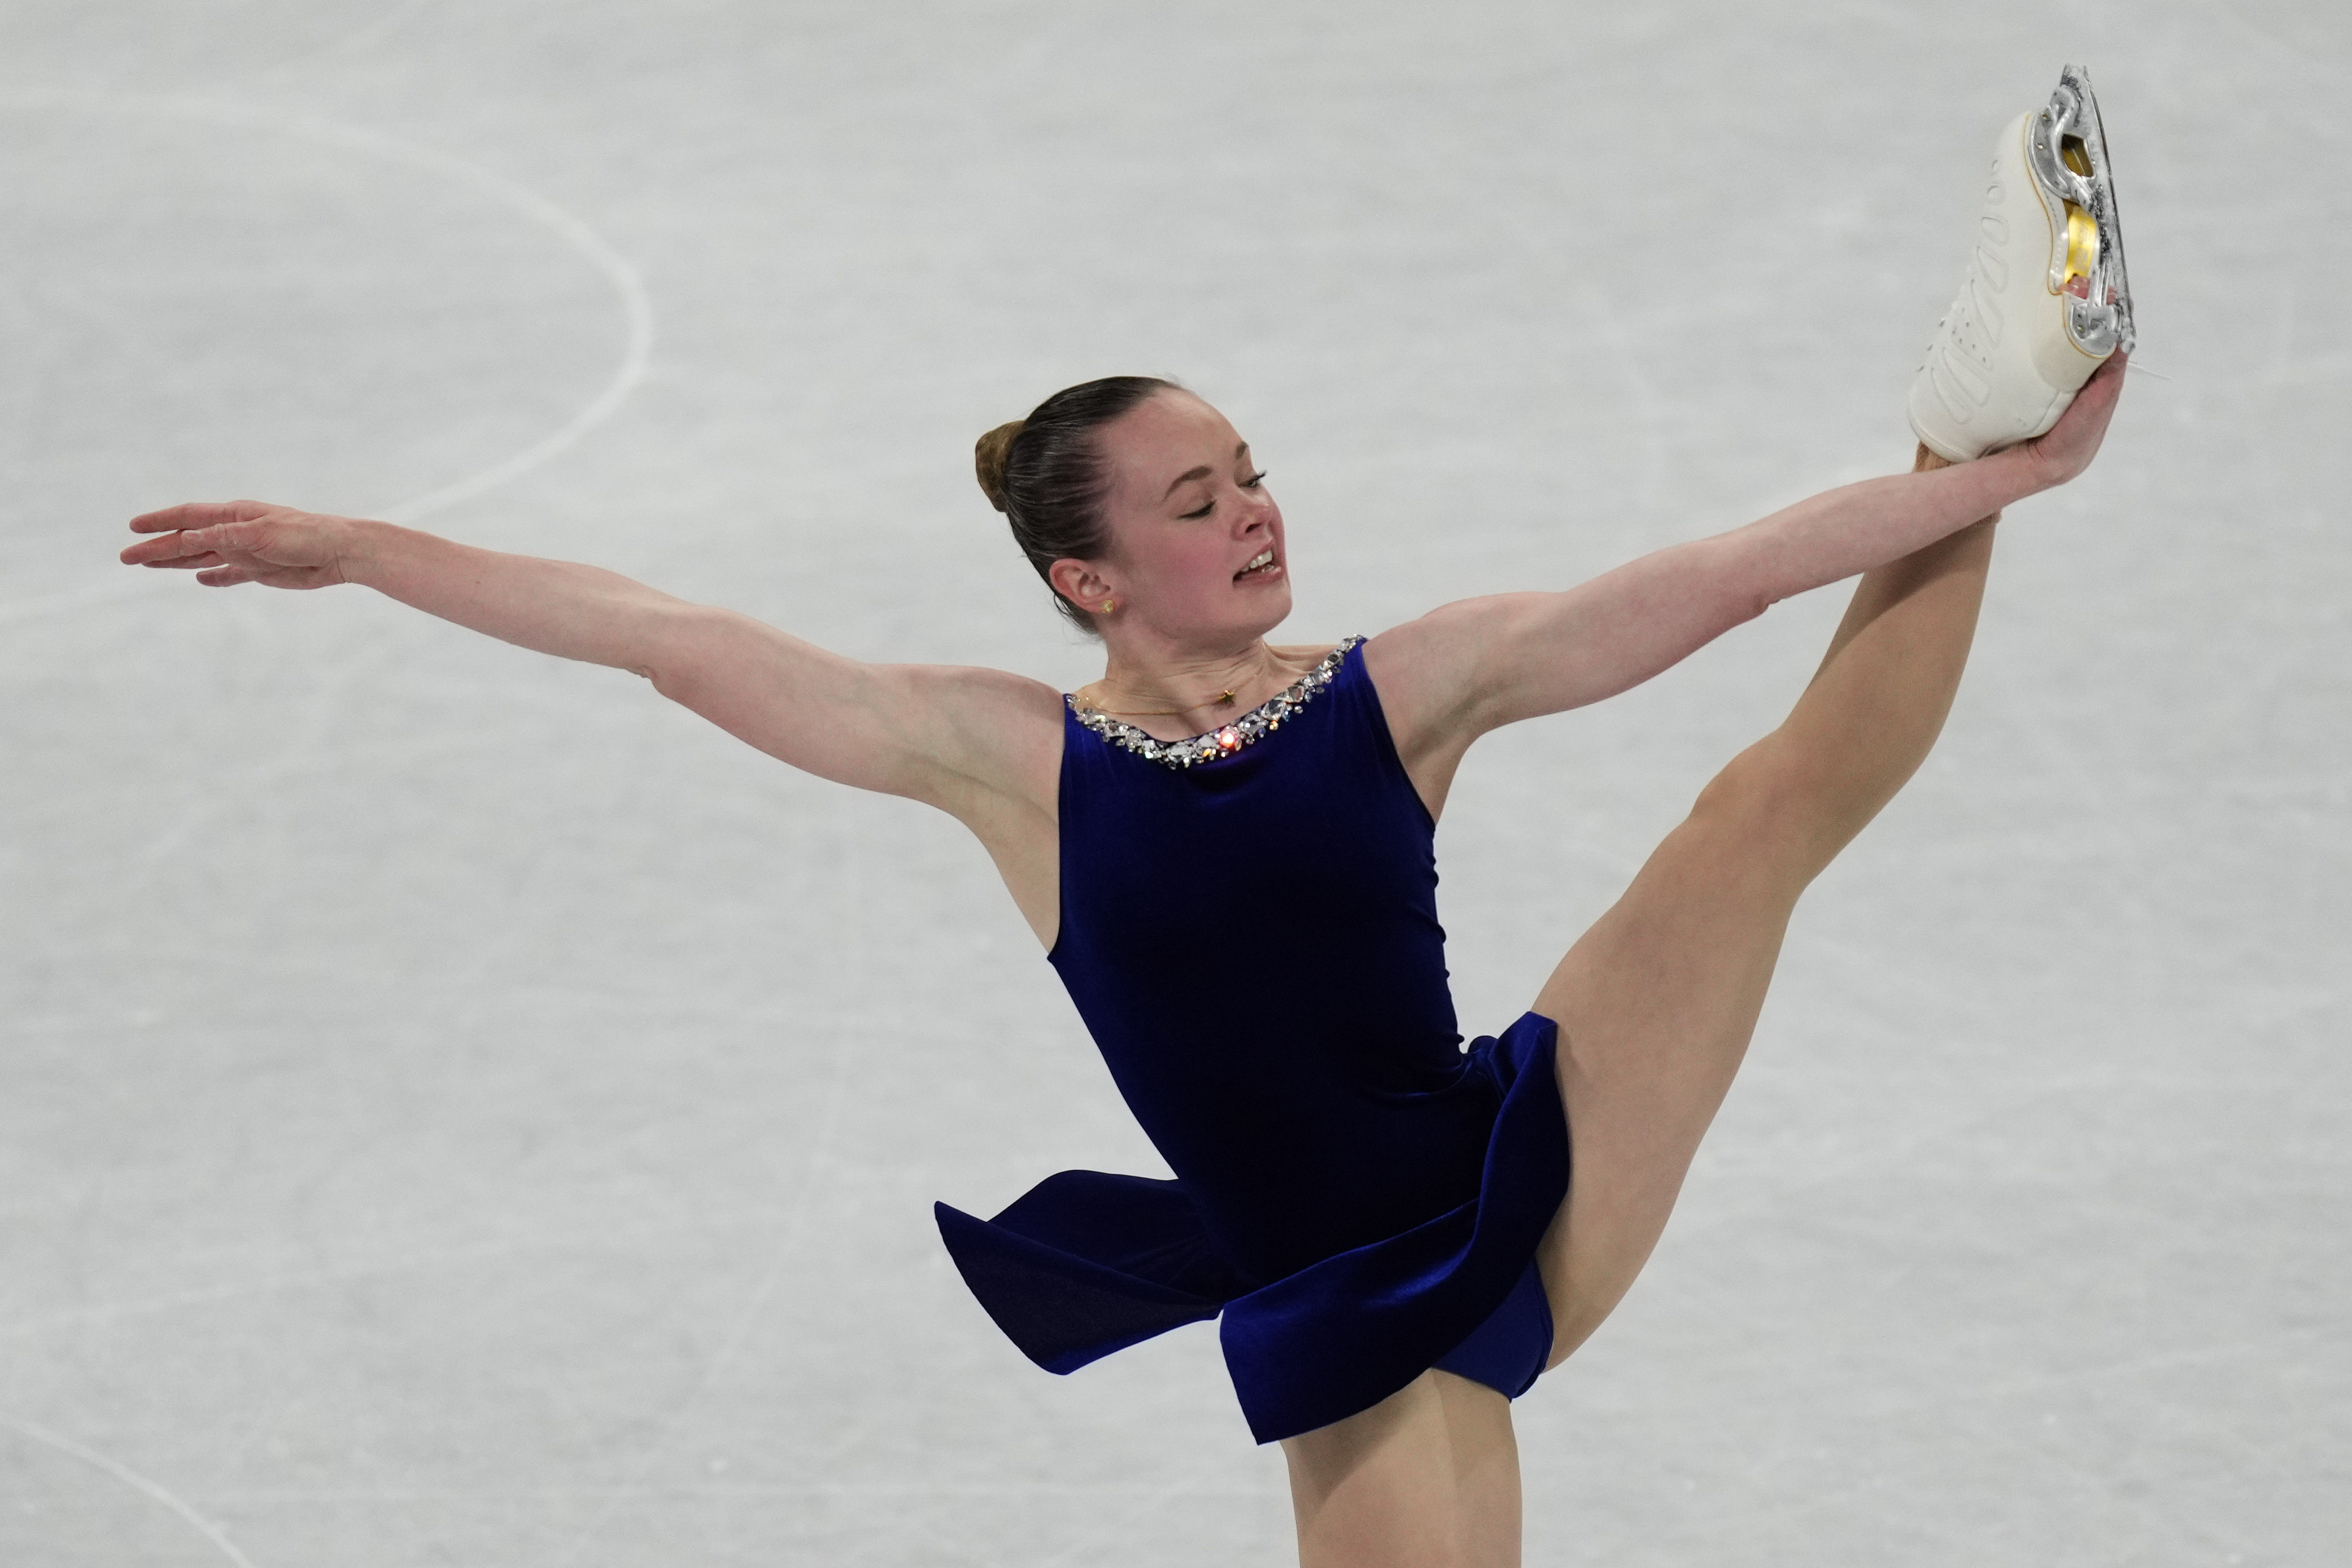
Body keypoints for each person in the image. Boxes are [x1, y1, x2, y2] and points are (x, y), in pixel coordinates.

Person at [119, 351, 2126, 1567]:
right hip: (1355, 1305)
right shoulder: (1011, 766)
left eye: (1250, 469)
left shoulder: (1399, 687)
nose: (1256, 511)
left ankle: (1977, 437)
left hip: (1525, 1159)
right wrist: (372, 549)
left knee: (1758, 817)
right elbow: (658, 629)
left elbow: (1693, 587)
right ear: (1089, 577)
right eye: (1198, 498)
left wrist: (1976, 472)